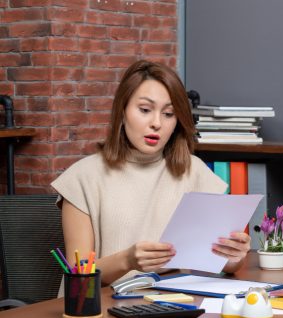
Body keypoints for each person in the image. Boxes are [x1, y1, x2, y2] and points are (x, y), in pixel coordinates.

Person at [51, 60, 251, 286]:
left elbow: (223, 264)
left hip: (172, 304)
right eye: (145, 110)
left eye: (168, 114)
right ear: (123, 111)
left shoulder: (195, 172)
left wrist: (235, 256)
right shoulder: (82, 178)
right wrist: (126, 260)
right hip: (98, 309)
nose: (157, 123)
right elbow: (79, 275)